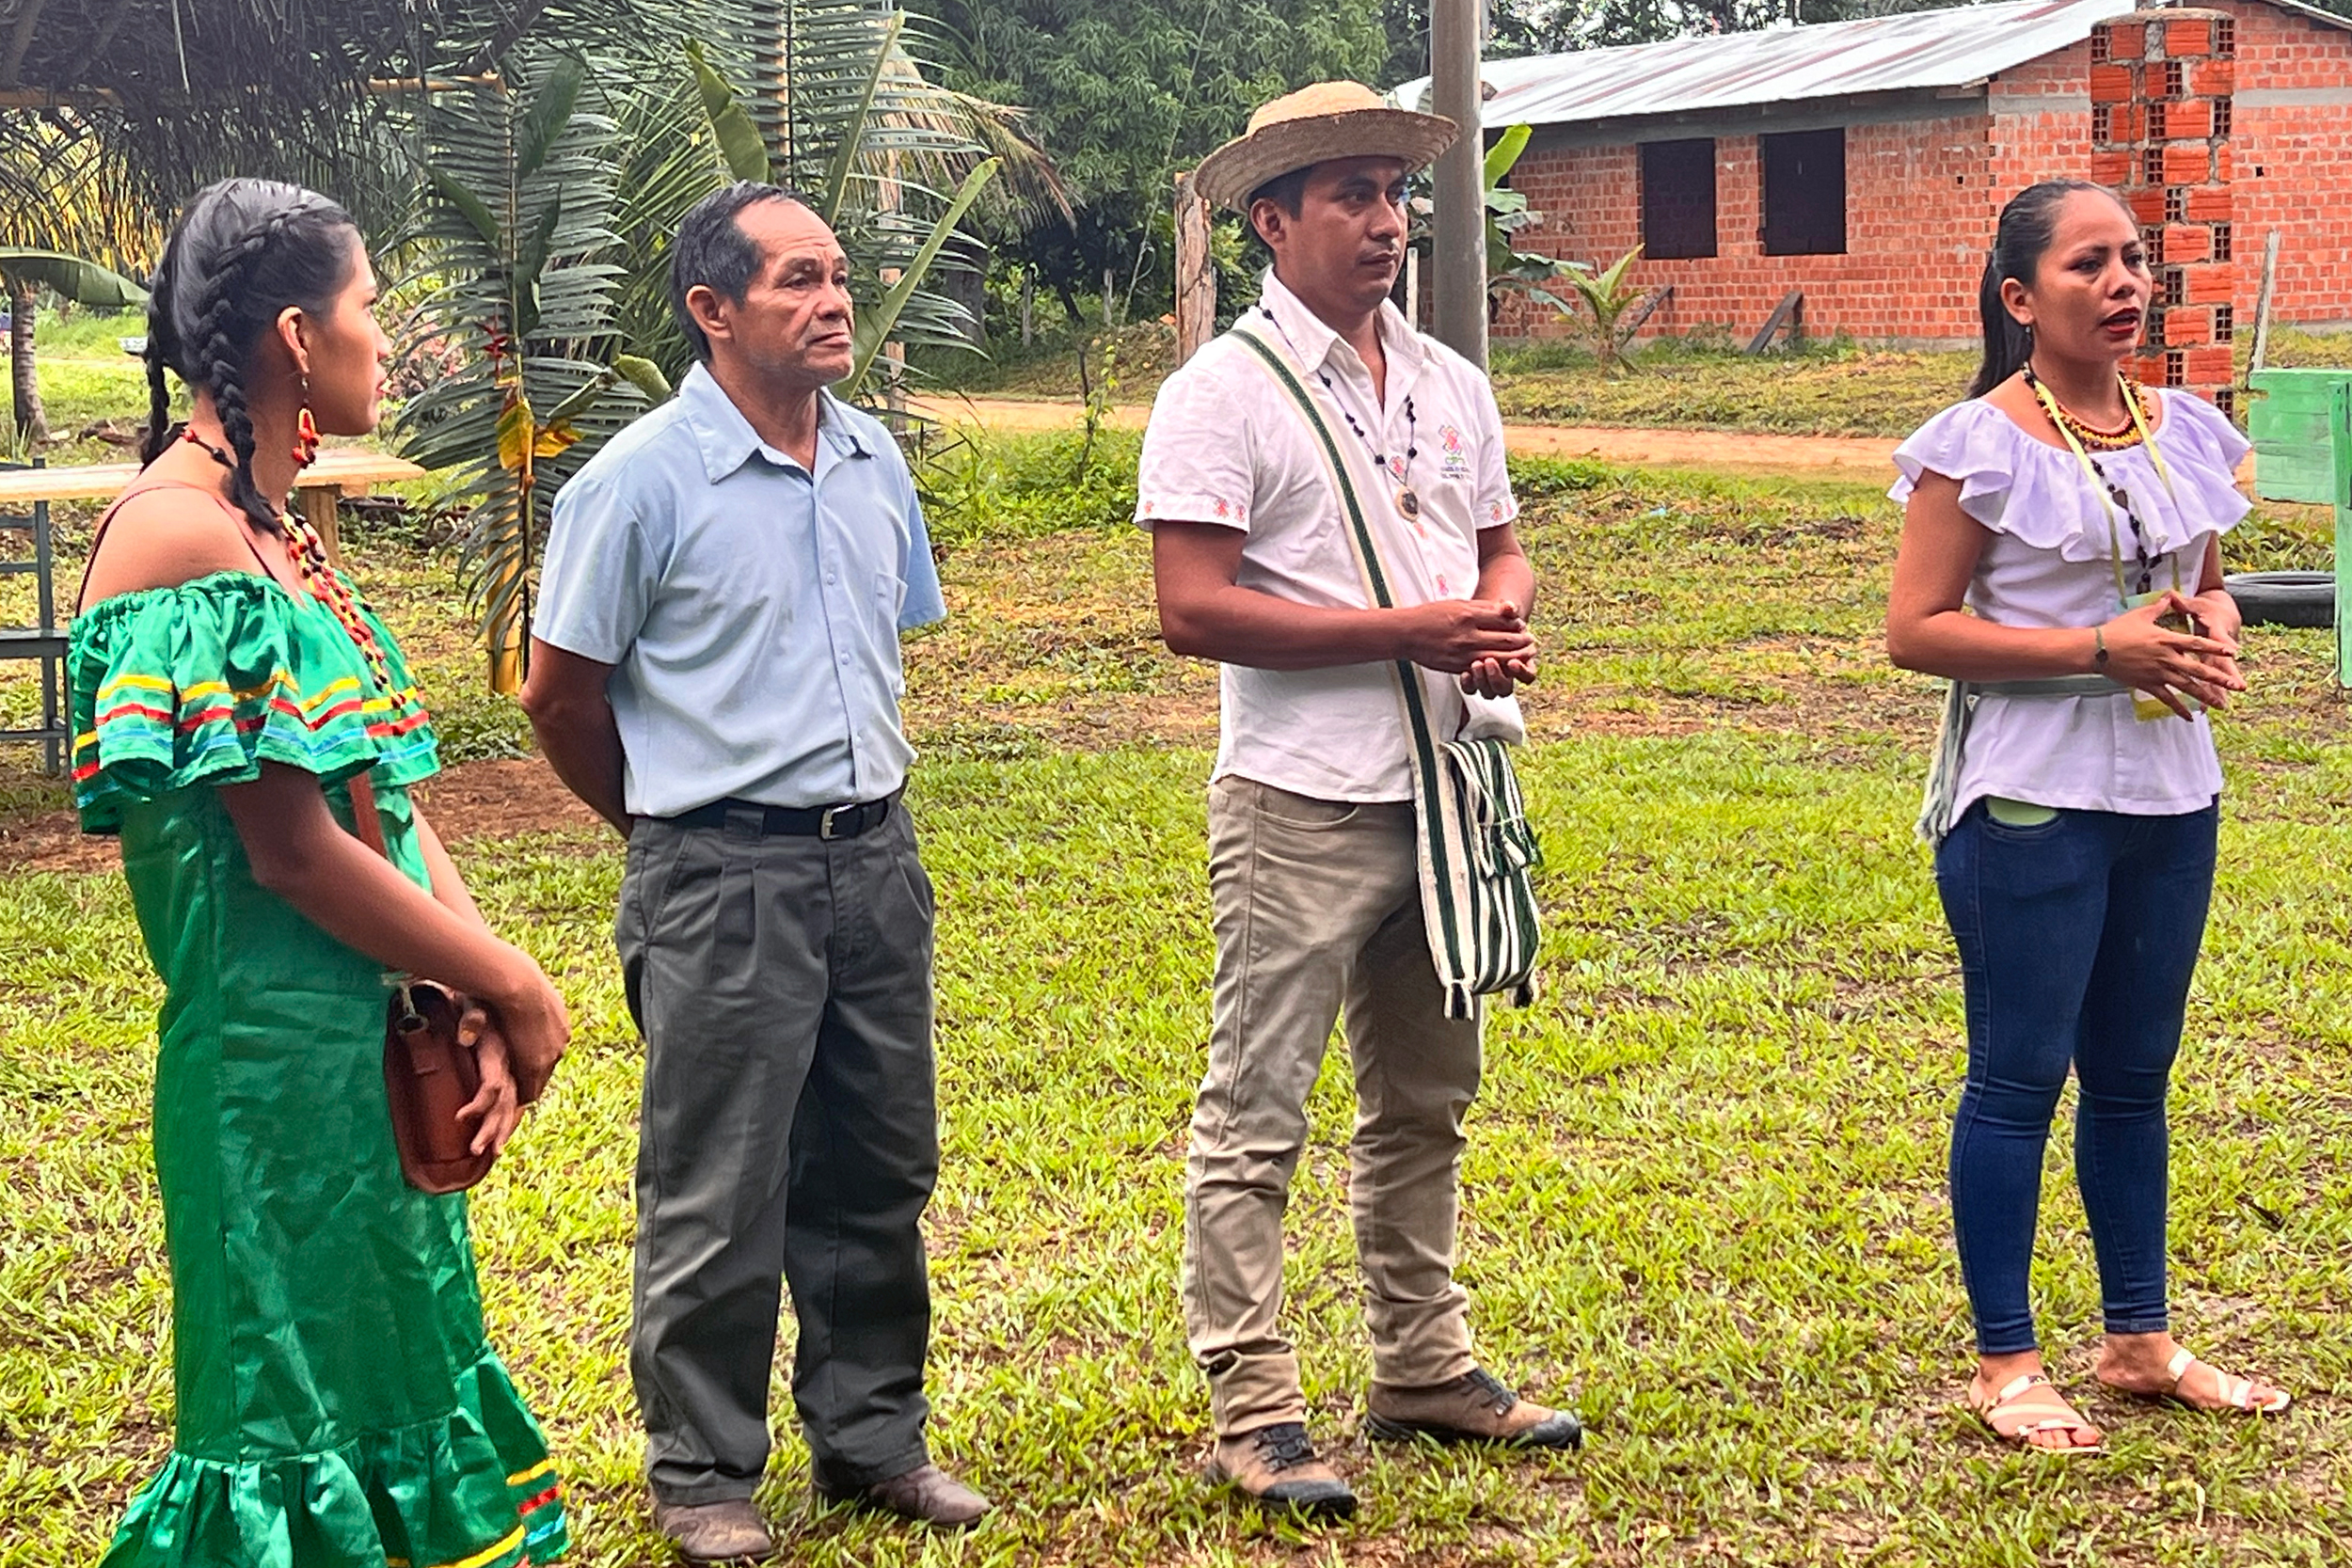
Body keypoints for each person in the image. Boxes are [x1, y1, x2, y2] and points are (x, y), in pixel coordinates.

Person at [71, 179, 573, 1568]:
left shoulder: (276, 532)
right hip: (272, 1086)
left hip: (368, 1050)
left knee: (394, 1380)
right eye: (368, 309)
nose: (383, 338)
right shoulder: (179, 537)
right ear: (298, 336)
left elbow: (388, 806)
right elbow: (290, 855)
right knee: (284, 1418)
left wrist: (463, 992)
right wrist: (514, 983)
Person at [1139, 82, 1581, 1520]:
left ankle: (1420, 1365)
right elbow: (1192, 610)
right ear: (1274, 221)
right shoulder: (1223, 392)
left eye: (1396, 194)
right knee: (1255, 1110)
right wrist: (1417, 629)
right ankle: (1255, 1407)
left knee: (1425, 1102)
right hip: (1300, 799)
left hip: (1443, 790)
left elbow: (1500, 549)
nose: (1386, 221)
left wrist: (1499, 611)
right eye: (1352, 196)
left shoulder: (1451, 380)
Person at [522, 182, 978, 1562]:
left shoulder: (871, 461)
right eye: (795, 279)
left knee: (879, 1162)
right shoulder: (639, 483)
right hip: (722, 872)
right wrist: (670, 834)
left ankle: (872, 1439)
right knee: (721, 1183)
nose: (832, 298)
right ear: (713, 311)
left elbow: (889, 638)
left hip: (876, 860)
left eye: (837, 274)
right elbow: (559, 696)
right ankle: (705, 1470)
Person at [1885, 179, 2290, 1454]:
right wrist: (2098, 652)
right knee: (2017, 1081)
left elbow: (2207, 586)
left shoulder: (2189, 432)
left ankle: (2138, 1342)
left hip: (2172, 797)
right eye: (2087, 266)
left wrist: (2208, 626)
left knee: (2134, 1080)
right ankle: (2007, 1364)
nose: (2123, 285)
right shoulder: (1980, 444)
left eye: (2133, 261)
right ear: (2021, 298)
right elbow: (1917, 633)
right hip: (2028, 805)